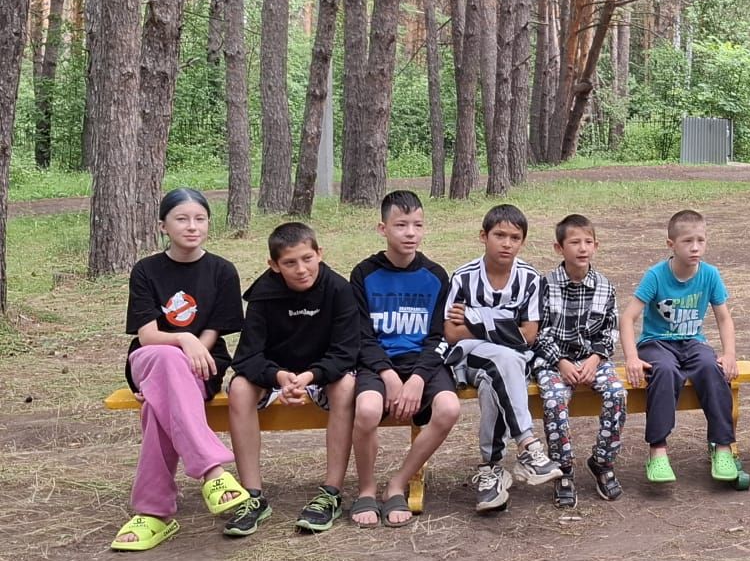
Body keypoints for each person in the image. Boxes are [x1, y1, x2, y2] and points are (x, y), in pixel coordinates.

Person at [112, 187, 251, 551]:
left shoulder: (222, 270)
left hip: (204, 364)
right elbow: (147, 335)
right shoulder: (146, 270)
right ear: (163, 226)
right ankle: (212, 471)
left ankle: (152, 513)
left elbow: (213, 333)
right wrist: (184, 341)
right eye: (182, 219)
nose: (192, 226)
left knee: (159, 405)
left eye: (200, 219)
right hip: (150, 357)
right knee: (167, 362)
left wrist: (193, 346)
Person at [224, 222, 361, 537]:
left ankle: (331, 493)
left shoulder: (339, 290)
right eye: (289, 262)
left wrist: (310, 375)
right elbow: (246, 358)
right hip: (277, 376)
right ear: (273, 265)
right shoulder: (263, 295)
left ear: (319, 254)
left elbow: (345, 353)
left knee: (347, 386)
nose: (301, 269)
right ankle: (253, 496)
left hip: (322, 374)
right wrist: (279, 377)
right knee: (240, 387)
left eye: (307, 258)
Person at [349, 190, 462, 527]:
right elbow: (361, 337)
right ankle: (366, 489)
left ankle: (398, 482)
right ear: (382, 229)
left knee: (449, 408)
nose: (410, 233)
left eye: (417, 225)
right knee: (367, 410)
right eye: (401, 225)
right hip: (377, 363)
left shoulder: (436, 275)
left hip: (422, 364)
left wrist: (416, 379)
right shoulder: (364, 274)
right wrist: (388, 375)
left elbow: (439, 336)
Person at [444, 203, 561, 514]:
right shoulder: (463, 277)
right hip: (468, 359)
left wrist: (476, 320)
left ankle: (491, 469)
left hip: (508, 363)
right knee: (503, 360)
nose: (507, 243)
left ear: (522, 241)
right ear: (484, 236)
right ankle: (527, 445)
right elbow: (453, 335)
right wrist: (503, 327)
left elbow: (529, 335)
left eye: (515, 237)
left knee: (494, 377)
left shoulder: (530, 279)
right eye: (499, 235)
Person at [619, 209, 739, 484]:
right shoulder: (656, 276)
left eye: (701, 240)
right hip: (656, 343)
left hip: (693, 342)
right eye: (687, 241)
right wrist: (632, 357)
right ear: (671, 245)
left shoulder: (709, 275)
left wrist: (730, 354)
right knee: (664, 370)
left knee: (712, 367)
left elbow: (724, 317)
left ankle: (722, 447)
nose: (695, 247)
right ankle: (658, 451)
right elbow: (627, 318)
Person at [531, 213, 626, 508]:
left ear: (596, 246)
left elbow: (610, 331)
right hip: (554, 362)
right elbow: (538, 333)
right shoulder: (545, 285)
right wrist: (561, 362)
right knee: (554, 399)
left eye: (588, 242)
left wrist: (595, 359)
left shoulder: (604, 286)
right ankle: (563, 469)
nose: (582, 248)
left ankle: (602, 461)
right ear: (559, 248)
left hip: (592, 360)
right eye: (574, 242)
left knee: (617, 394)